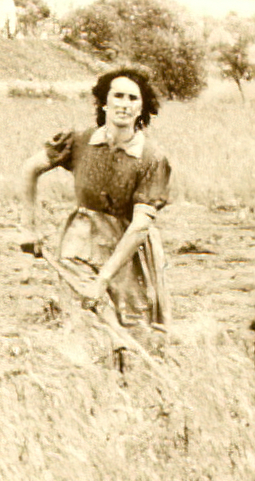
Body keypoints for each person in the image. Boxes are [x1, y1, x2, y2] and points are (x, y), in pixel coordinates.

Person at [21, 66, 172, 350]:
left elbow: (140, 226)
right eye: (117, 96)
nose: (124, 104)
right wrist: (28, 228)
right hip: (82, 242)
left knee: (135, 333)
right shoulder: (80, 142)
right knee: (88, 323)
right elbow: (30, 169)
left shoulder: (152, 158)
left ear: (142, 108)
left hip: (128, 251)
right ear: (104, 102)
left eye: (132, 98)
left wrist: (103, 280)